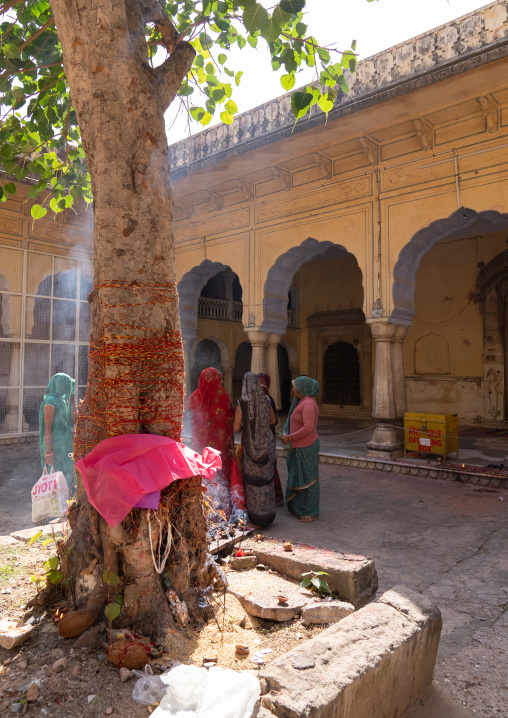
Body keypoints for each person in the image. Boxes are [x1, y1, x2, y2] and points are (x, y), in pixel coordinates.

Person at [186, 367, 235, 517]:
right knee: (219, 481)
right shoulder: (224, 398)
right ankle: (222, 513)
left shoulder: (194, 396)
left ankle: (203, 513)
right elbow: (229, 424)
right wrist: (231, 446)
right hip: (220, 452)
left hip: (200, 451)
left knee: (203, 480)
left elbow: (183, 412)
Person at [233, 372, 276, 527]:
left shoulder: (242, 403)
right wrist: (261, 425)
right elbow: (273, 420)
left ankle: (257, 519)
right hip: (267, 444)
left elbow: (236, 428)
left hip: (251, 446)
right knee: (267, 480)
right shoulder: (266, 399)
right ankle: (269, 515)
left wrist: (249, 425)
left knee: (253, 483)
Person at [281, 376, 320, 523]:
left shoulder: (308, 404)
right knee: (300, 478)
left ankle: (310, 512)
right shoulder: (302, 402)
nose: (293, 389)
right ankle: (300, 509)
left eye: (295, 387)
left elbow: (308, 428)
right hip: (300, 446)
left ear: (302, 388)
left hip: (307, 447)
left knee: (308, 480)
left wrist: (290, 437)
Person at [39, 373, 77, 495]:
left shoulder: (63, 402)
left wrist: (72, 401)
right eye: (67, 385)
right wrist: (49, 452)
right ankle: (55, 508)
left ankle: (67, 506)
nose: (69, 388)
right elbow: (47, 429)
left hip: (65, 446)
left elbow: (73, 421)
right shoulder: (50, 402)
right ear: (60, 385)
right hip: (54, 447)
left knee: (69, 475)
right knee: (55, 478)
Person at [257, 372, 284, 507]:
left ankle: (264, 500)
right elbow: (275, 420)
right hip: (266, 439)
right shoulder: (268, 399)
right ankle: (272, 499)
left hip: (260, 440)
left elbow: (274, 421)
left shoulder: (265, 399)